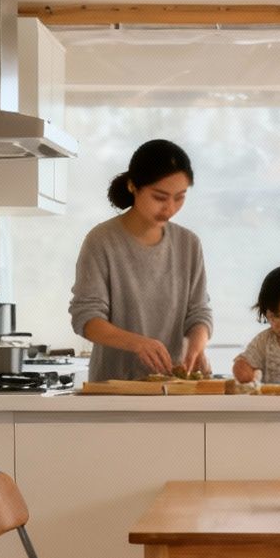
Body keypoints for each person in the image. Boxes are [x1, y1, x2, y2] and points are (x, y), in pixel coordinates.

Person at [68, 139, 214, 383]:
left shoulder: (189, 244)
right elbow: (86, 318)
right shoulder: (102, 241)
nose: (170, 208)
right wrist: (138, 344)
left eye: (179, 197)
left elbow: (199, 312)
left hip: (174, 387)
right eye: (160, 197)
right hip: (114, 387)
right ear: (133, 186)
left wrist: (197, 345)